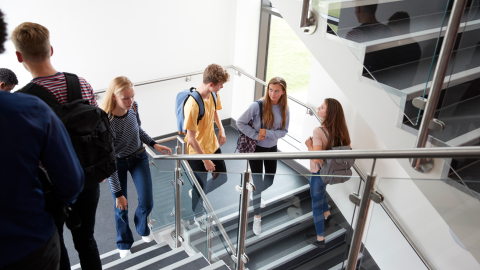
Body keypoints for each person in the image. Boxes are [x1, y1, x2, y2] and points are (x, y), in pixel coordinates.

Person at [11, 22, 102, 269]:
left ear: (19, 57)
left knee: (56, 242)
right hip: (88, 176)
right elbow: (97, 128)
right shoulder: (81, 83)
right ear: (51, 49)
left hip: (50, 187)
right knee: (87, 239)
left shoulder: (23, 100)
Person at [102, 76, 172, 258]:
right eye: (125, 98)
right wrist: (118, 194)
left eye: (132, 96)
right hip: (118, 163)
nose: (130, 101)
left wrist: (153, 143)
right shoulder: (107, 122)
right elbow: (108, 160)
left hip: (139, 157)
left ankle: (142, 228)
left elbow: (137, 129)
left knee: (147, 201)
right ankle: (124, 241)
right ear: (114, 98)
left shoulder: (133, 107)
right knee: (121, 206)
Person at [237, 77, 290, 235]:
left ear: (283, 92)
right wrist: (254, 134)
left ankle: (251, 191)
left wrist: (267, 133)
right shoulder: (256, 106)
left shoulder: (284, 109)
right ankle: (257, 218)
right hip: (256, 150)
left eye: (276, 91)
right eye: (270, 90)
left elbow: (284, 131)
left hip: (272, 148)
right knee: (259, 184)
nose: (273, 94)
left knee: (270, 180)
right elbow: (240, 122)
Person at [184, 64, 230, 231]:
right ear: (211, 83)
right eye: (220, 84)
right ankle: (197, 214)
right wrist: (206, 160)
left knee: (222, 177)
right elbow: (190, 138)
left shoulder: (213, 94)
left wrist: (222, 129)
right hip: (196, 152)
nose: (222, 87)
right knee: (201, 185)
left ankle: (197, 193)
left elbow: (215, 111)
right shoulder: (192, 105)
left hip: (212, 145)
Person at [304, 98, 351, 248]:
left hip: (319, 174)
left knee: (316, 204)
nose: (318, 107)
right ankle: (328, 216)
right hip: (331, 173)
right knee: (322, 192)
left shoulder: (318, 131)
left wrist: (309, 145)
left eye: (322, 107)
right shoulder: (341, 130)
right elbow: (348, 148)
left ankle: (320, 240)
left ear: (328, 113)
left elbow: (316, 158)